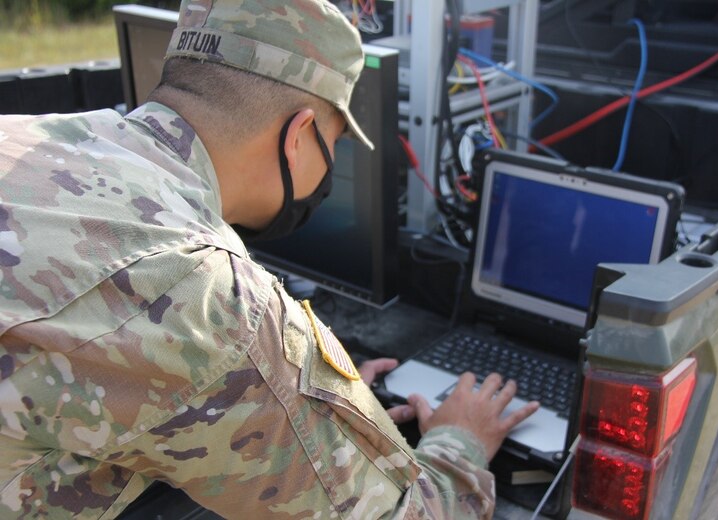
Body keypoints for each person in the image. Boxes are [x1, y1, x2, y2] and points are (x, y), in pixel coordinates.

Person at [0, 0, 539, 518]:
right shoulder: (204, 298)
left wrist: (312, 399)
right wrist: (460, 442)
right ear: (299, 135)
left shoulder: (26, 136)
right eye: (334, 143)